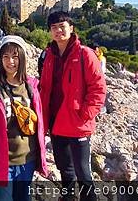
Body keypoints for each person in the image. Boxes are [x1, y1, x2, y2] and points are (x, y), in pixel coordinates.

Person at [39, 11, 107, 201]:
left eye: (62, 26)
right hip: (56, 122)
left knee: (84, 173)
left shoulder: (85, 54)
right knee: (65, 171)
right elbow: (44, 87)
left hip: (77, 125)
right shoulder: (49, 55)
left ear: (71, 28)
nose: (58, 31)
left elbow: (98, 88)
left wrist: (86, 113)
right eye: (54, 27)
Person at [0, 35, 48, 200]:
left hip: (27, 159)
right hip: (0, 163)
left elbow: (39, 124)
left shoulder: (31, 87)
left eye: (15, 56)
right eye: (5, 56)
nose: (10, 61)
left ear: (22, 58)